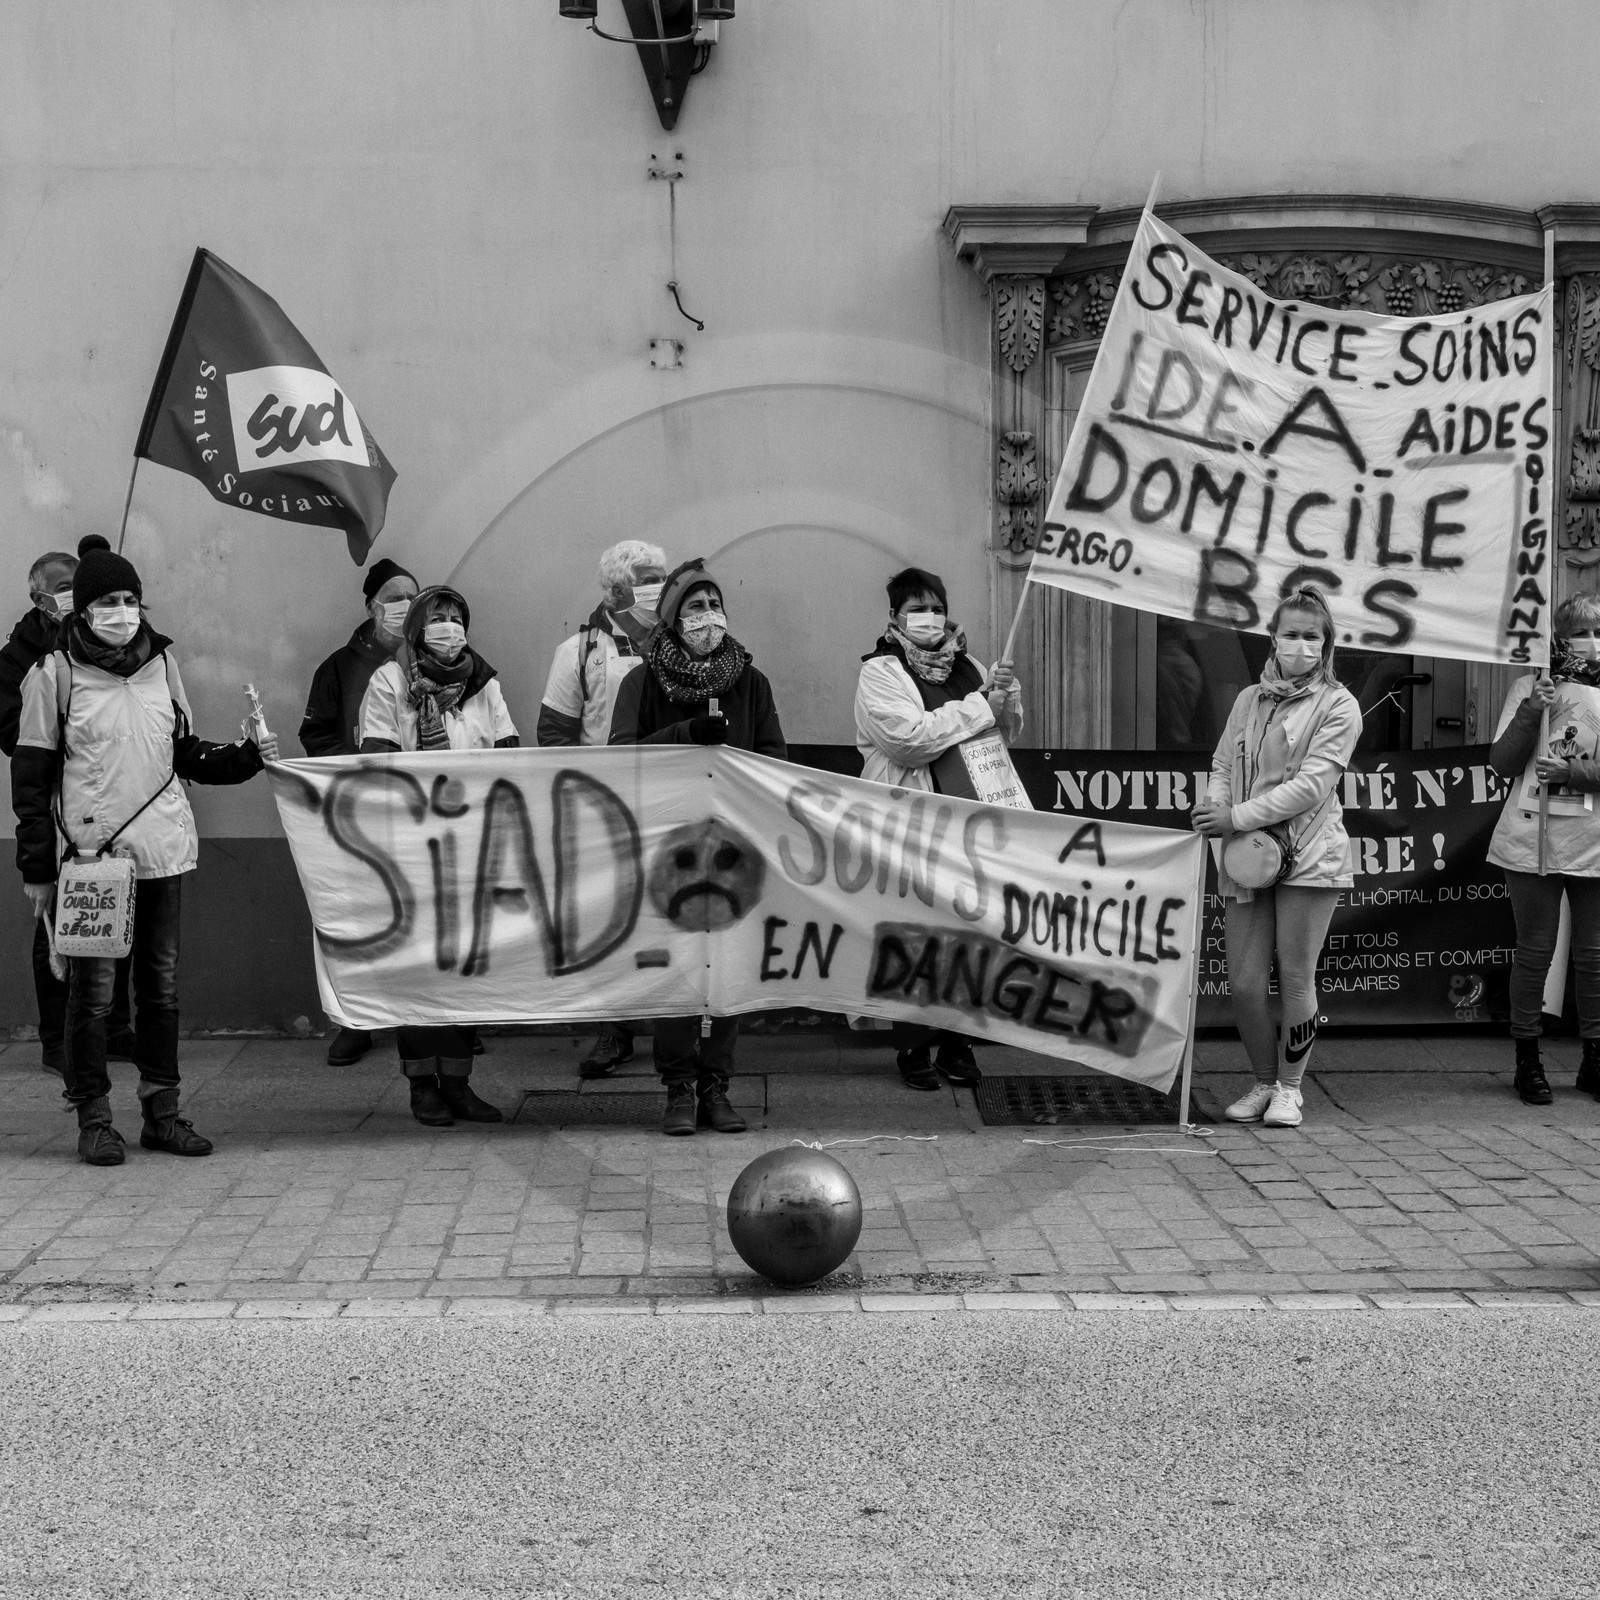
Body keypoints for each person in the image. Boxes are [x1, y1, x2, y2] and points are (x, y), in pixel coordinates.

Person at [11, 541, 277, 1166]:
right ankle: (94, 1117)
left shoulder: (163, 665)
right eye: (108, 601)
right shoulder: (54, 675)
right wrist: (36, 868)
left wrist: (244, 756)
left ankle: (163, 1112)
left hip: (161, 853)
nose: (123, 611)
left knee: (159, 989)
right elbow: (31, 779)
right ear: (81, 610)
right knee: (93, 996)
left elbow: (180, 751)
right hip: (91, 860)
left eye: (131, 600)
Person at [608, 557, 786, 1137]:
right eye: (694, 607)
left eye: (713, 605)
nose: (708, 617)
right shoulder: (642, 682)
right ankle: (679, 1088)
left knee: (726, 971)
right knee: (681, 973)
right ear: (671, 619)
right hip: (668, 848)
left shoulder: (750, 682)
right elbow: (620, 756)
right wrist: (684, 737)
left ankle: (717, 1086)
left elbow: (774, 761)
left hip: (732, 849)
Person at [1192, 586, 1360, 1130]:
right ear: (1273, 637)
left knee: (1294, 978)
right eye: (1291, 633)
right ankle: (1263, 1080)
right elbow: (1221, 763)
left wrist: (1235, 818)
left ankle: (1290, 1089)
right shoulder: (1248, 699)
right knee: (1242, 980)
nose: (1300, 644)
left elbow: (1312, 787)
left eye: (1312, 636)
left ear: (1327, 643)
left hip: (1311, 856)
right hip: (1247, 856)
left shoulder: (1339, 704)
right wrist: (1216, 806)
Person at [853, 565, 1021, 1091]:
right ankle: (912, 1043)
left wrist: (1006, 700)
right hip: (912, 820)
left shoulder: (971, 664)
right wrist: (980, 707)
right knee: (915, 933)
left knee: (967, 931)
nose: (929, 619)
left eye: (936, 608)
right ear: (895, 617)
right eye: (916, 610)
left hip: (972, 821)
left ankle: (958, 1041)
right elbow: (909, 739)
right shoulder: (880, 671)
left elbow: (1003, 735)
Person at [358, 585, 517, 1127]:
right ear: (417, 628)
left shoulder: (485, 687)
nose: (448, 626)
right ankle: (422, 1084)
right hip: (413, 848)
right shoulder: (390, 682)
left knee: (465, 966)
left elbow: (510, 761)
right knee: (421, 967)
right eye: (438, 617)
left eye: (456, 617)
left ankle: (459, 1082)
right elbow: (375, 764)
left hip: (475, 846)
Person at [2, 536, 133, 1077]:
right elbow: (15, 738)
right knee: (58, 924)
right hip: (62, 810)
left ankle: (114, 1028)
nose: (69, 596)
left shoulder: (106, 644)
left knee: (117, 914)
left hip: (113, 805)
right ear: (38, 601)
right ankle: (57, 1039)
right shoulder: (18, 660)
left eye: (74, 587)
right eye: (60, 589)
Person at [537, 539, 668, 1078]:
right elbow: (553, 734)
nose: (661, 586)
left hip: (667, 803)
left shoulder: (685, 646)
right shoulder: (579, 651)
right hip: (603, 810)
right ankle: (612, 1030)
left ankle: (674, 1030)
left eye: (664, 576)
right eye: (649, 577)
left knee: (667, 916)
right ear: (617, 589)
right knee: (607, 922)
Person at [298, 556, 418, 1067]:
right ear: (372, 607)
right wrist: (353, 770)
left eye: (412, 596)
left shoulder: (435, 657)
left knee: (426, 915)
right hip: (360, 815)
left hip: (422, 814)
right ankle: (357, 1021)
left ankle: (442, 1021)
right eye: (394, 598)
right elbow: (316, 735)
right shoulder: (339, 668)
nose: (405, 608)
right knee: (361, 920)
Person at [1486, 594, 1600, 1106]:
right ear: (1555, 636)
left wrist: (1574, 774)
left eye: (1598, 630)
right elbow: (1502, 763)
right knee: (1534, 952)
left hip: (1593, 840)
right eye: (1579, 631)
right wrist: (1534, 709)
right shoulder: (1530, 686)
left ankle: (1594, 1058)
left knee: (1594, 956)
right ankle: (1527, 1058)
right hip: (1531, 840)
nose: (1591, 641)